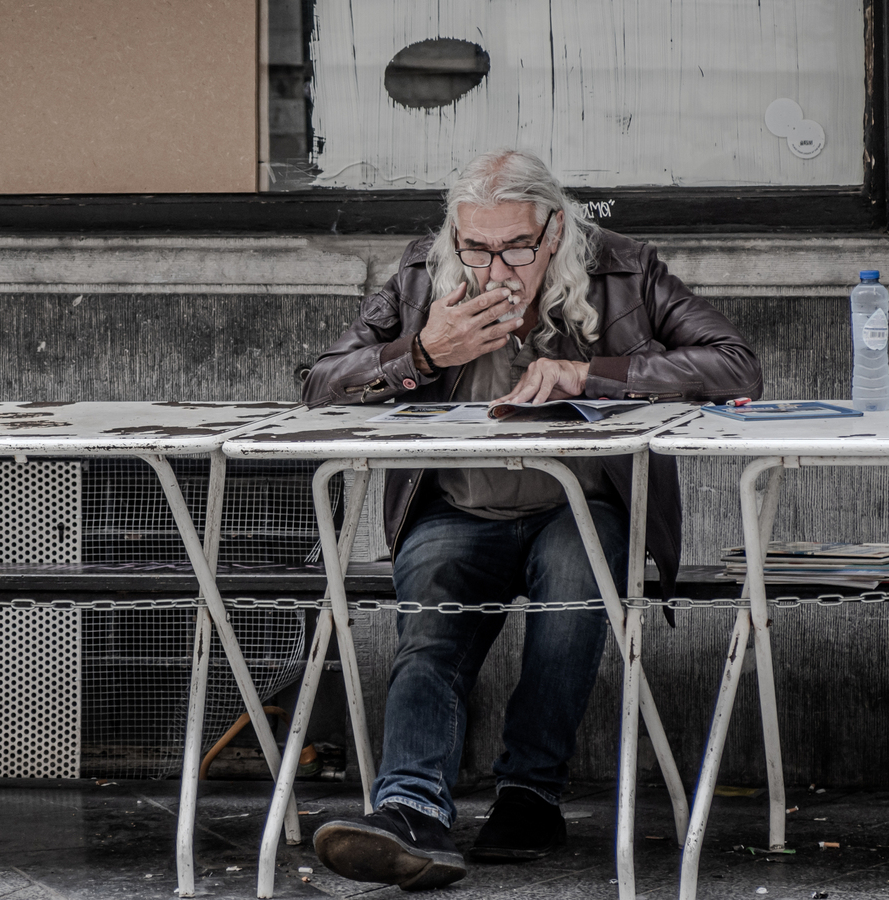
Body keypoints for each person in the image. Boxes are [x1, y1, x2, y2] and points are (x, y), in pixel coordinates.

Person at [303, 149, 762, 891]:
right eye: (476, 247)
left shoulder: (624, 267)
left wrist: (591, 375)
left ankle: (529, 794)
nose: (496, 266)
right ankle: (409, 809)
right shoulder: (423, 273)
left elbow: (736, 365)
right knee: (430, 628)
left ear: (555, 229)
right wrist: (421, 351)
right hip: (459, 503)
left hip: (579, 503)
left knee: (574, 594)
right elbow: (320, 385)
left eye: (516, 245)